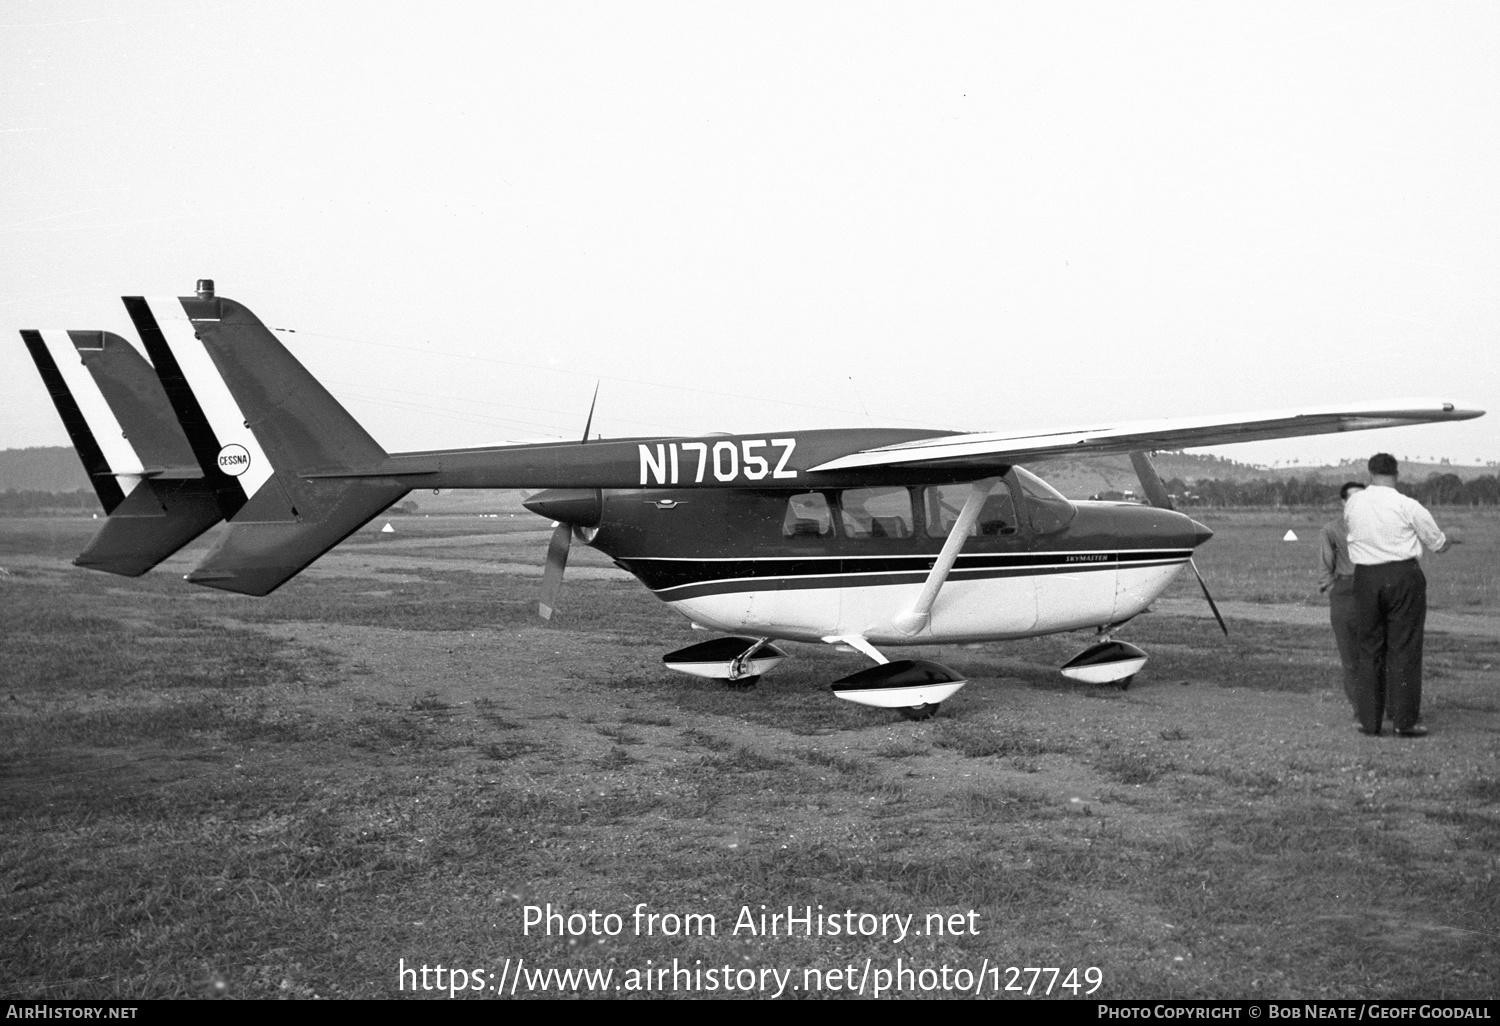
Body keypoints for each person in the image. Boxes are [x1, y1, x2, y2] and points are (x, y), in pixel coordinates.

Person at [1344, 453, 1458, 737]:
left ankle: (1369, 721)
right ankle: (1404, 720)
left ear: (1370, 473)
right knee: (1404, 648)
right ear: (1397, 474)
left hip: (1365, 577)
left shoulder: (1355, 503)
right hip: (1402, 576)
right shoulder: (1407, 505)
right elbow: (1437, 543)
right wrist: (1449, 539)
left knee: (1369, 649)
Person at [1318, 481, 1366, 713]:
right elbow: (1326, 566)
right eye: (1353, 499)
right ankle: (1360, 708)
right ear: (1343, 502)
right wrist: (1332, 590)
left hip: (1375, 588)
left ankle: (1385, 705)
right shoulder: (1332, 529)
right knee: (1350, 654)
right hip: (1345, 589)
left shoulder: (1379, 527)